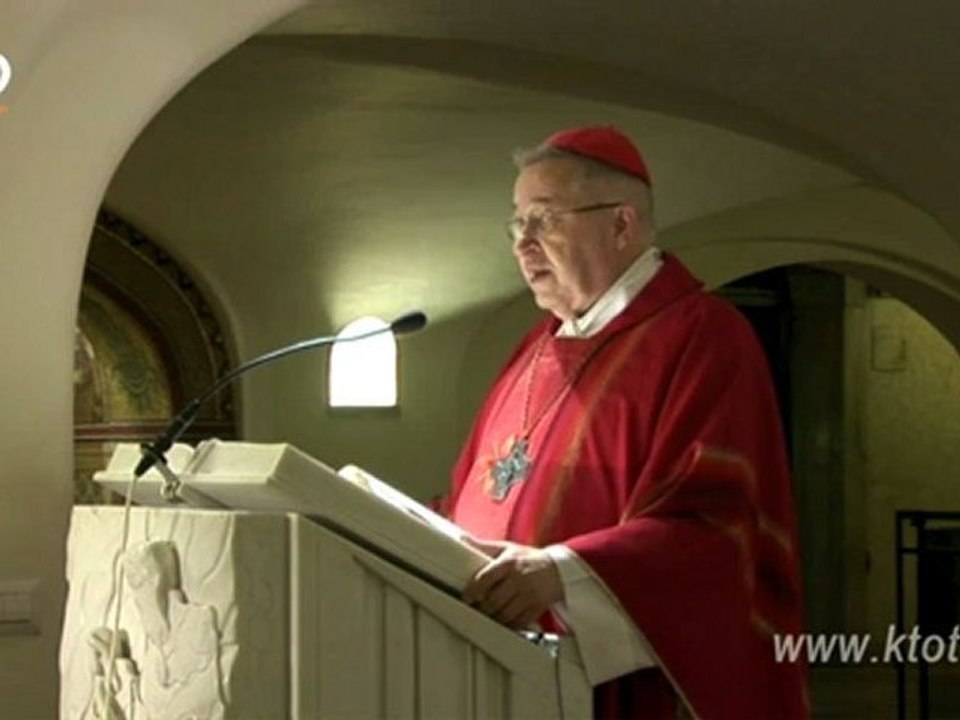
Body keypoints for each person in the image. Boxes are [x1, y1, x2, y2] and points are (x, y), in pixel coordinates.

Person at [447, 125, 807, 719]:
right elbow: (473, 493)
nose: (523, 244)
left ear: (622, 224)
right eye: (517, 224)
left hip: (617, 690)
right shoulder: (533, 349)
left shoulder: (702, 337)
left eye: (544, 219)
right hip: (497, 672)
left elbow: (716, 527)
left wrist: (561, 575)